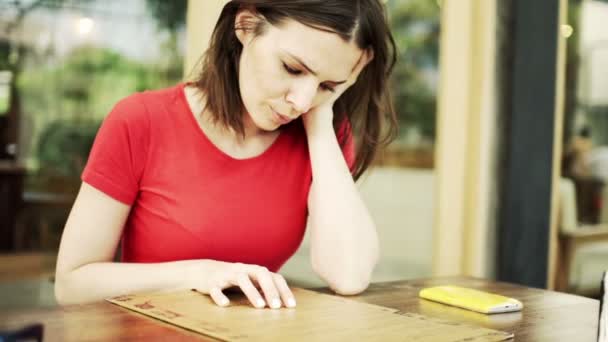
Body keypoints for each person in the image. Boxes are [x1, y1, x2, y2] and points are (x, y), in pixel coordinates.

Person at [54, 0, 398, 309]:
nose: (303, 100)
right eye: (293, 69)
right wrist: (198, 274)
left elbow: (349, 276)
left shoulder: (319, 133)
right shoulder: (141, 121)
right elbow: (72, 284)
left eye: (328, 85)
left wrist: (322, 120)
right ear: (246, 25)